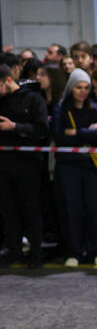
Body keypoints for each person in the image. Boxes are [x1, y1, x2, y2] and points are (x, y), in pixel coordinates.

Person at [52, 68, 97, 267]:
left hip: (90, 165)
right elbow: (60, 136)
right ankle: (74, 252)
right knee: (71, 209)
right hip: (68, 165)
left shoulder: (96, 108)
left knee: (95, 209)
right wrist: (88, 133)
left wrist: (76, 132)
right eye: (78, 87)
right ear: (71, 88)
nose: (83, 92)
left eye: (86, 88)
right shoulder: (61, 108)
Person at [0, 64, 49, 268]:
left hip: (28, 165)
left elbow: (42, 130)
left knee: (31, 210)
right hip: (3, 165)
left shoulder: (33, 98)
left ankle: (36, 254)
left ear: (8, 80)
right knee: (8, 210)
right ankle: (14, 251)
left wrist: (14, 127)